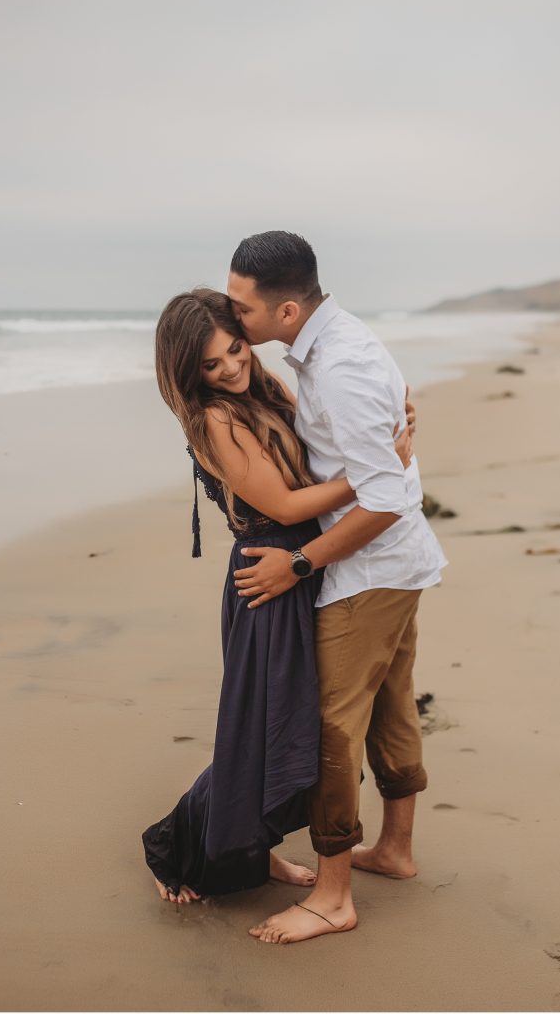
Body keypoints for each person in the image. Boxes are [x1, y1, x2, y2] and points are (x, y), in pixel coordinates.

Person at [141, 288, 415, 904]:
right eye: (211, 365)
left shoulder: (264, 389)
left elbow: (315, 458)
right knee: (263, 727)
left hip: (302, 566)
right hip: (268, 577)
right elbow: (288, 504)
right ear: (189, 372)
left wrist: (385, 440)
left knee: (282, 724)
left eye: (235, 350)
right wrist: (372, 474)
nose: (230, 368)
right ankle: (172, 843)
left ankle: (259, 852)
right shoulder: (213, 418)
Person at [225, 231, 448, 944]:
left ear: (287, 311)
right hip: (393, 564)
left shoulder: (342, 363)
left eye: (241, 308)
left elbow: (382, 498)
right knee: (388, 701)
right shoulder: (327, 348)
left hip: (369, 567)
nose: (234, 322)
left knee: (330, 724)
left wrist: (299, 564)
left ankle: (331, 897)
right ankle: (395, 850)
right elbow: (368, 462)